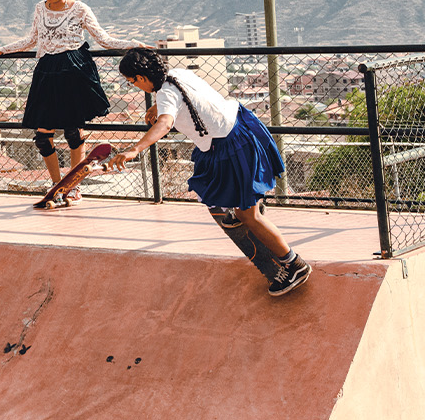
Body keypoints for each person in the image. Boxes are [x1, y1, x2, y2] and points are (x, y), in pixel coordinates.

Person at [107, 48, 309, 296]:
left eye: (132, 82)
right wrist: (158, 106)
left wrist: (135, 148)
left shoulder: (166, 94)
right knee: (215, 184)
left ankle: (293, 264)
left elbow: (165, 123)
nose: (134, 86)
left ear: (140, 77)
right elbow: (185, 101)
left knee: (250, 216)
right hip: (239, 127)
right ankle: (240, 207)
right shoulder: (176, 74)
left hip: (231, 145)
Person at [0, 0, 148, 199]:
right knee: (43, 137)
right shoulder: (39, 8)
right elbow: (33, 38)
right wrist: (4, 50)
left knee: (74, 132)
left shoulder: (80, 9)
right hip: (47, 72)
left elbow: (103, 39)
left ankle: (74, 185)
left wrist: (134, 44)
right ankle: (57, 185)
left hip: (74, 71)